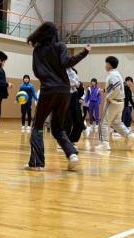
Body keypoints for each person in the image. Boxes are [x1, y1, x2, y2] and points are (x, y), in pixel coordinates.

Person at [26, 21, 90, 171]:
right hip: (65, 91)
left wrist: (47, 76)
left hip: (48, 90)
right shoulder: (60, 46)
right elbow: (67, 62)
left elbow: (36, 71)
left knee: (37, 126)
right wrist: (84, 52)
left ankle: (36, 163)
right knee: (58, 128)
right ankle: (72, 154)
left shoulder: (37, 51)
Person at [97, 57, 134, 151]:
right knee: (116, 123)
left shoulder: (112, 75)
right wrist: (105, 91)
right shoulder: (116, 74)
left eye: (106, 63)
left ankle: (105, 144)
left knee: (103, 123)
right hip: (120, 102)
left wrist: (109, 97)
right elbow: (113, 87)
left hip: (113, 102)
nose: (105, 65)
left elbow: (116, 88)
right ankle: (130, 135)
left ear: (109, 65)